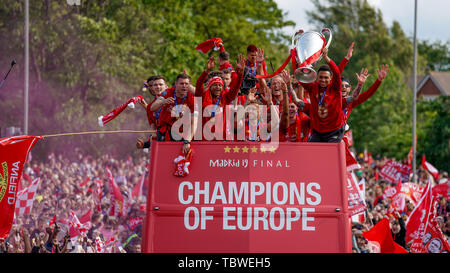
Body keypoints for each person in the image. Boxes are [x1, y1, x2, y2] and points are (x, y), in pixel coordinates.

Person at [296, 47, 344, 143]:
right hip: (318, 131)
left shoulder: (335, 87)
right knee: (312, 153)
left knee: (329, 154)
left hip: (334, 131)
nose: (323, 80)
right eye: (321, 77)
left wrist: (326, 58)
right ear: (317, 77)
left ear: (331, 78)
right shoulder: (313, 87)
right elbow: (300, 77)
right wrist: (298, 61)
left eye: (326, 77)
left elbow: (337, 72)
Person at [195, 54, 245, 140]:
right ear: (210, 86)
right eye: (215, 85)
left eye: (220, 85)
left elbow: (236, 88)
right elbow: (199, 84)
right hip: (204, 140)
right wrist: (206, 71)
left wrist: (240, 74)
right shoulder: (203, 96)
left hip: (221, 140)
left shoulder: (225, 98)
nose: (218, 87)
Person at [150, 73, 196, 154]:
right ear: (176, 84)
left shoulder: (192, 99)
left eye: (186, 84)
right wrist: (163, 102)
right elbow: (152, 107)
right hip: (165, 132)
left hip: (182, 133)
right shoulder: (167, 92)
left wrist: (187, 141)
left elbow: (193, 123)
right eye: (181, 83)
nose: (184, 86)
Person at [137, 75, 168, 149]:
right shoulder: (150, 107)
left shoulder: (174, 98)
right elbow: (153, 128)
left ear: (166, 86)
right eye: (155, 85)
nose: (158, 87)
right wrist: (146, 144)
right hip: (162, 140)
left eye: (160, 84)